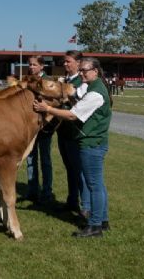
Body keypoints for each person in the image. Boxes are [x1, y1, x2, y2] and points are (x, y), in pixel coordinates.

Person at [34, 57, 112, 238]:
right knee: (97, 184)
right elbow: (74, 98)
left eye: (85, 70)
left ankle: (94, 226)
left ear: (96, 71)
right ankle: (102, 221)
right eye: (82, 69)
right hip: (94, 142)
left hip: (91, 143)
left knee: (94, 185)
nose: (82, 72)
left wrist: (47, 109)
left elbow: (71, 115)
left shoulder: (95, 93)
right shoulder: (93, 87)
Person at [25, 55, 54, 204]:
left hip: (44, 129)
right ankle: (32, 191)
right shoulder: (28, 80)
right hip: (29, 128)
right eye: (30, 64)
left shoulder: (49, 82)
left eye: (34, 65)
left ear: (42, 66)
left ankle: (47, 192)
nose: (31, 67)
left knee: (45, 161)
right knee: (30, 160)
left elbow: (54, 104)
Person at [56, 50, 83, 213]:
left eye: (68, 61)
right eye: (64, 62)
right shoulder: (65, 80)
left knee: (78, 170)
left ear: (78, 63)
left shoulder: (82, 81)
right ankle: (72, 200)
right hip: (63, 131)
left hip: (75, 132)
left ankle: (84, 205)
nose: (65, 64)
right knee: (69, 168)